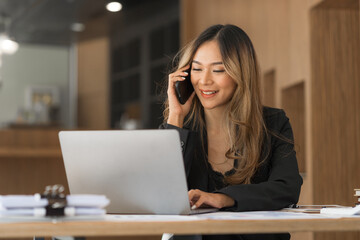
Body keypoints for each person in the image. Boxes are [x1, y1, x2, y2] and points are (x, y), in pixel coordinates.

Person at [160, 24, 303, 240]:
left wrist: (224, 198)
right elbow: (160, 194)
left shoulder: (273, 122)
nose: (204, 81)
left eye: (218, 70)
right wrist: (176, 117)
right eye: (197, 69)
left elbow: (287, 187)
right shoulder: (180, 127)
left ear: (241, 73)